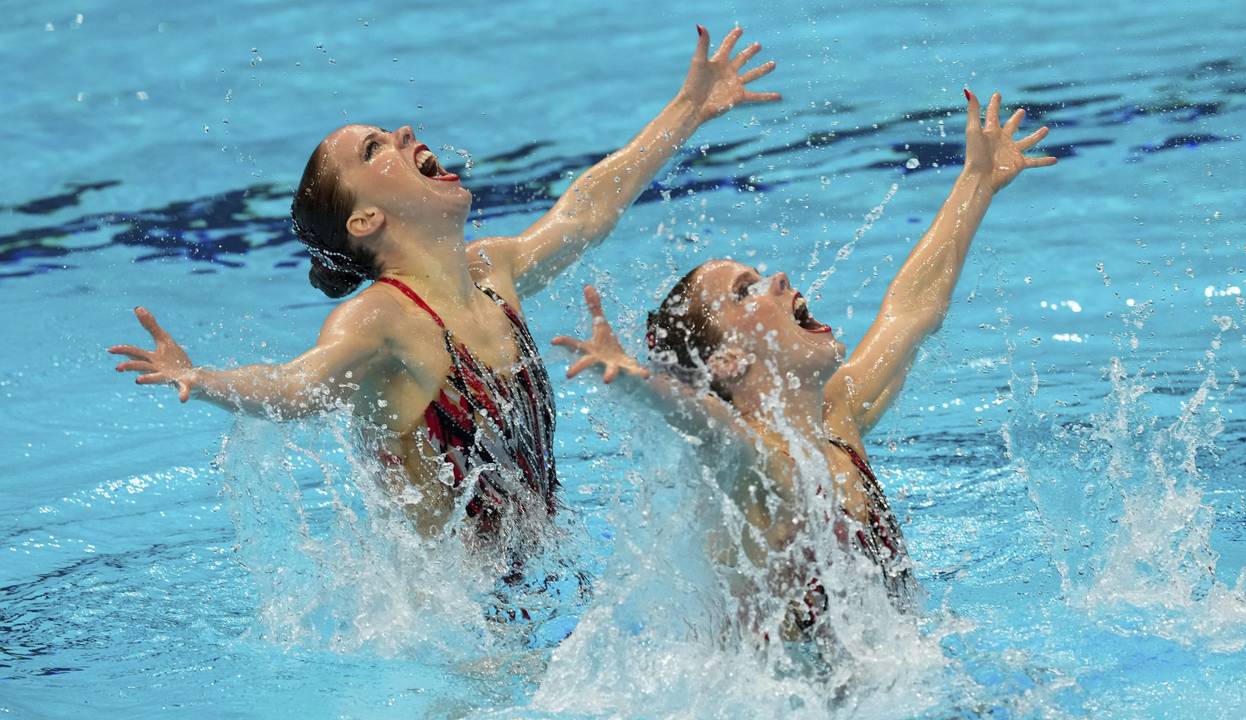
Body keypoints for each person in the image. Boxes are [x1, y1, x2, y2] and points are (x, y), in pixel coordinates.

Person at [108, 26, 781, 546]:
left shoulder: (492, 272)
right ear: (367, 220)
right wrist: (203, 378)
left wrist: (688, 111)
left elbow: (586, 211)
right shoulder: (381, 321)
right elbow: (298, 387)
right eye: (375, 151)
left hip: (542, 576)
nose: (403, 134)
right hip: (464, 631)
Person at [551, 89, 1056, 639]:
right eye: (747, 291)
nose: (781, 279)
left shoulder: (835, 420)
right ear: (727, 360)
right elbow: (704, 423)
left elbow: (911, 311)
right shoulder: (758, 464)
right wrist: (635, 380)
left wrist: (976, 183)